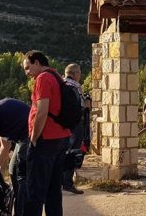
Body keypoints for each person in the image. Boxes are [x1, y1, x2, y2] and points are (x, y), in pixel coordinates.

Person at [21, 50, 72, 216]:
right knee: (53, 191)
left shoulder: (42, 78)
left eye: (28, 67)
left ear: (37, 62)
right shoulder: (56, 76)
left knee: (34, 190)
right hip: (61, 138)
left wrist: (34, 137)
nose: (27, 72)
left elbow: (42, 111)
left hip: (46, 139)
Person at [0, 97, 30, 215]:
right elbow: (4, 148)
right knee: (12, 170)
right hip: (23, 136)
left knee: (21, 175)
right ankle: (18, 207)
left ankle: (21, 212)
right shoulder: (0, 116)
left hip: (30, 133)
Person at [62, 63, 89, 193]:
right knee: (74, 151)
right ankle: (67, 182)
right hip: (75, 123)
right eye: (79, 73)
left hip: (61, 123)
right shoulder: (76, 86)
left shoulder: (60, 83)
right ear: (74, 73)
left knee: (62, 150)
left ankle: (58, 180)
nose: (80, 76)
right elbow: (83, 105)